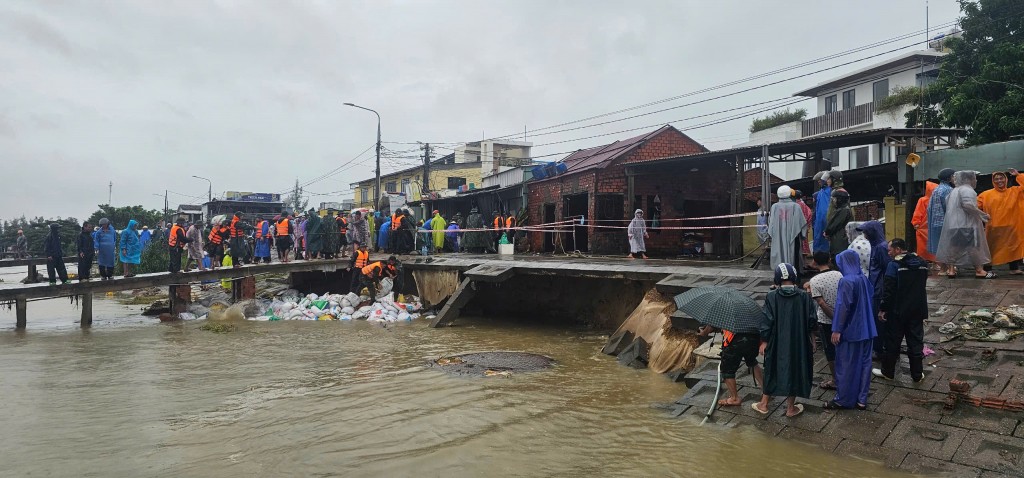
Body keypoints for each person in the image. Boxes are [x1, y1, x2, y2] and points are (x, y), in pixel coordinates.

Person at [752, 263, 816, 418]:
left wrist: (765, 341)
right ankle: (790, 408)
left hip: (777, 341)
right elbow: (812, 321)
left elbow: (767, 321)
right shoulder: (804, 297)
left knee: (772, 367)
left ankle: (764, 404)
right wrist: (812, 340)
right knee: (795, 369)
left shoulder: (772, 296)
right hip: (798, 342)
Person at [825, 249, 878, 410]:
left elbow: (843, 307)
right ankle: (861, 399)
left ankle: (843, 399)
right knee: (864, 364)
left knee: (846, 366)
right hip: (867, 328)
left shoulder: (846, 281)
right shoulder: (863, 278)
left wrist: (837, 329)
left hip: (851, 330)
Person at [874, 238, 929, 382]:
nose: (888, 252)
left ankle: (888, 372)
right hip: (917, 310)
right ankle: (917, 375)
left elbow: (889, 291)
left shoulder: (893, 266)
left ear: (898, 250)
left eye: (890, 250)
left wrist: (883, 309)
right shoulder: (922, 263)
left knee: (892, 343)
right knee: (916, 343)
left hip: (897, 311)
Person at [937, 171, 993, 279]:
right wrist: (983, 215)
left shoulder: (953, 191)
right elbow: (968, 205)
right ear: (969, 179)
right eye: (974, 178)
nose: (975, 180)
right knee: (973, 247)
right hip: (966, 224)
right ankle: (979, 270)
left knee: (954, 248)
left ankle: (951, 271)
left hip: (953, 225)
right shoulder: (968, 190)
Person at [700, 323, 763, 407]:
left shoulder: (725, 311)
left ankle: (734, 398)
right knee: (752, 362)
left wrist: (704, 332)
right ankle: (765, 389)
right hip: (753, 338)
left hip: (734, 340)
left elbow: (711, 326)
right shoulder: (752, 311)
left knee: (727, 370)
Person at [807, 251, 842, 390]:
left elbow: (821, 303)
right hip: (842, 315)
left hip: (826, 320)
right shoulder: (839, 274)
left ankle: (835, 380)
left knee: (829, 350)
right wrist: (839, 318)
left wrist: (834, 318)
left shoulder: (815, 280)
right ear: (829, 260)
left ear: (814, 262)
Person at [978, 169, 1024, 275]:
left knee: (1013, 247)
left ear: (1006, 179)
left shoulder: (1015, 191)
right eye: (996, 179)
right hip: (994, 228)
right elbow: (975, 206)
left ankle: (1014, 268)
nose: (999, 181)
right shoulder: (985, 194)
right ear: (993, 181)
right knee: (991, 248)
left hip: (1012, 227)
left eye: (1001, 178)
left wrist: (1018, 175)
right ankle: (988, 269)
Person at [857, 220, 890, 355]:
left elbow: (887, 269)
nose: (864, 235)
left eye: (866, 232)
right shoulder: (876, 246)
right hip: (874, 287)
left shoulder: (881, 247)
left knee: (879, 320)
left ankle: (880, 349)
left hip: (879, 289)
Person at [768, 185, 808, 274]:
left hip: (778, 237)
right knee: (794, 257)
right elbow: (802, 223)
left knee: (779, 253)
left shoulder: (774, 207)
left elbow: (771, 225)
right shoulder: (795, 206)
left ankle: (780, 276)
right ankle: (794, 279)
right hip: (793, 237)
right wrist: (803, 235)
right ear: (789, 194)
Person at [928, 168, 956, 276]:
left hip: (935, 222)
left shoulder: (936, 189)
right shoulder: (949, 190)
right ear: (949, 178)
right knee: (950, 246)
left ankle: (943, 269)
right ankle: (950, 269)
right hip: (946, 222)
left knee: (940, 246)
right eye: (953, 176)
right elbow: (950, 207)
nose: (955, 178)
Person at [911, 181, 938, 262]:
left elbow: (918, 212)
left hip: (923, 227)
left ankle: (923, 261)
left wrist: (916, 223)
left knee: (923, 247)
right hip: (933, 227)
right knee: (934, 246)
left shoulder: (922, 200)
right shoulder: (937, 200)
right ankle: (935, 263)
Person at [824, 188, 854, 260]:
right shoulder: (842, 209)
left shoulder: (844, 210)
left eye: (834, 199)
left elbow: (834, 225)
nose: (833, 201)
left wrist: (827, 232)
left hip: (840, 242)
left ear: (840, 199)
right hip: (839, 240)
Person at [812, 172, 832, 253]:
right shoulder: (821, 192)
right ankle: (817, 258)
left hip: (824, 222)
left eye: (819, 180)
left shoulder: (829, 191)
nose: (818, 182)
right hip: (819, 222)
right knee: (817, 240)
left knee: (824, 242)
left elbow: (825, 210)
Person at [794, 190, 813, 256]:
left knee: (799, 243)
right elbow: (809, 214)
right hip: (804, 225)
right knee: (804, 241)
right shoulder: (803, 204)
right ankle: (805, 256)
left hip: (798, 226)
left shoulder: (796, 204)